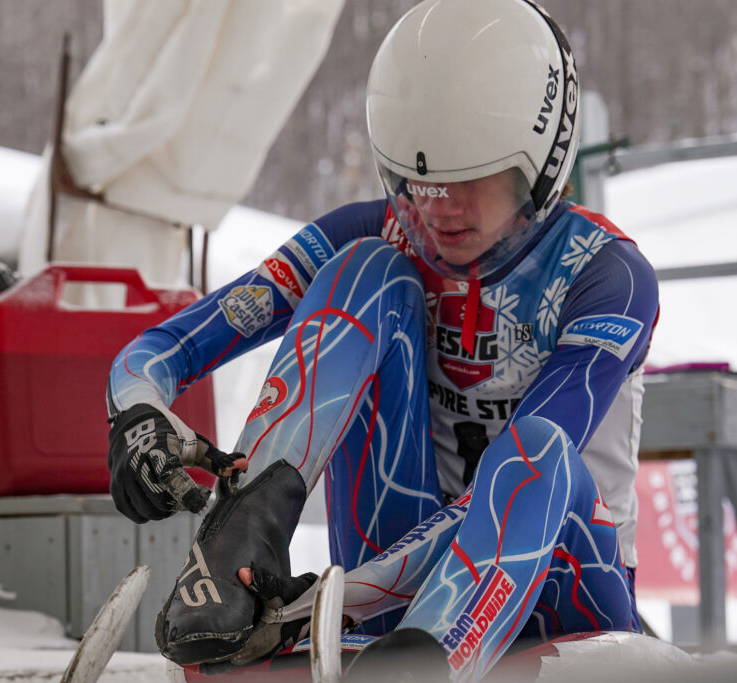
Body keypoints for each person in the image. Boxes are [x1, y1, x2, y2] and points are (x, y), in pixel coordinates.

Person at [105, 0, 659, 680]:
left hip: (565, 594)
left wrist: (328, 606)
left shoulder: (606, 275)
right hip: (395, 598)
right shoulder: (375, 230)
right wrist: (136, 412)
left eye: (466, 181)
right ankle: (238, 550)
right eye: (415, 182)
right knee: (365, 267)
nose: (436, 209)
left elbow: (517, 478)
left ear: (541, 167)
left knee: (535, 452)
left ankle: (424, 657)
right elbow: (163, 350)